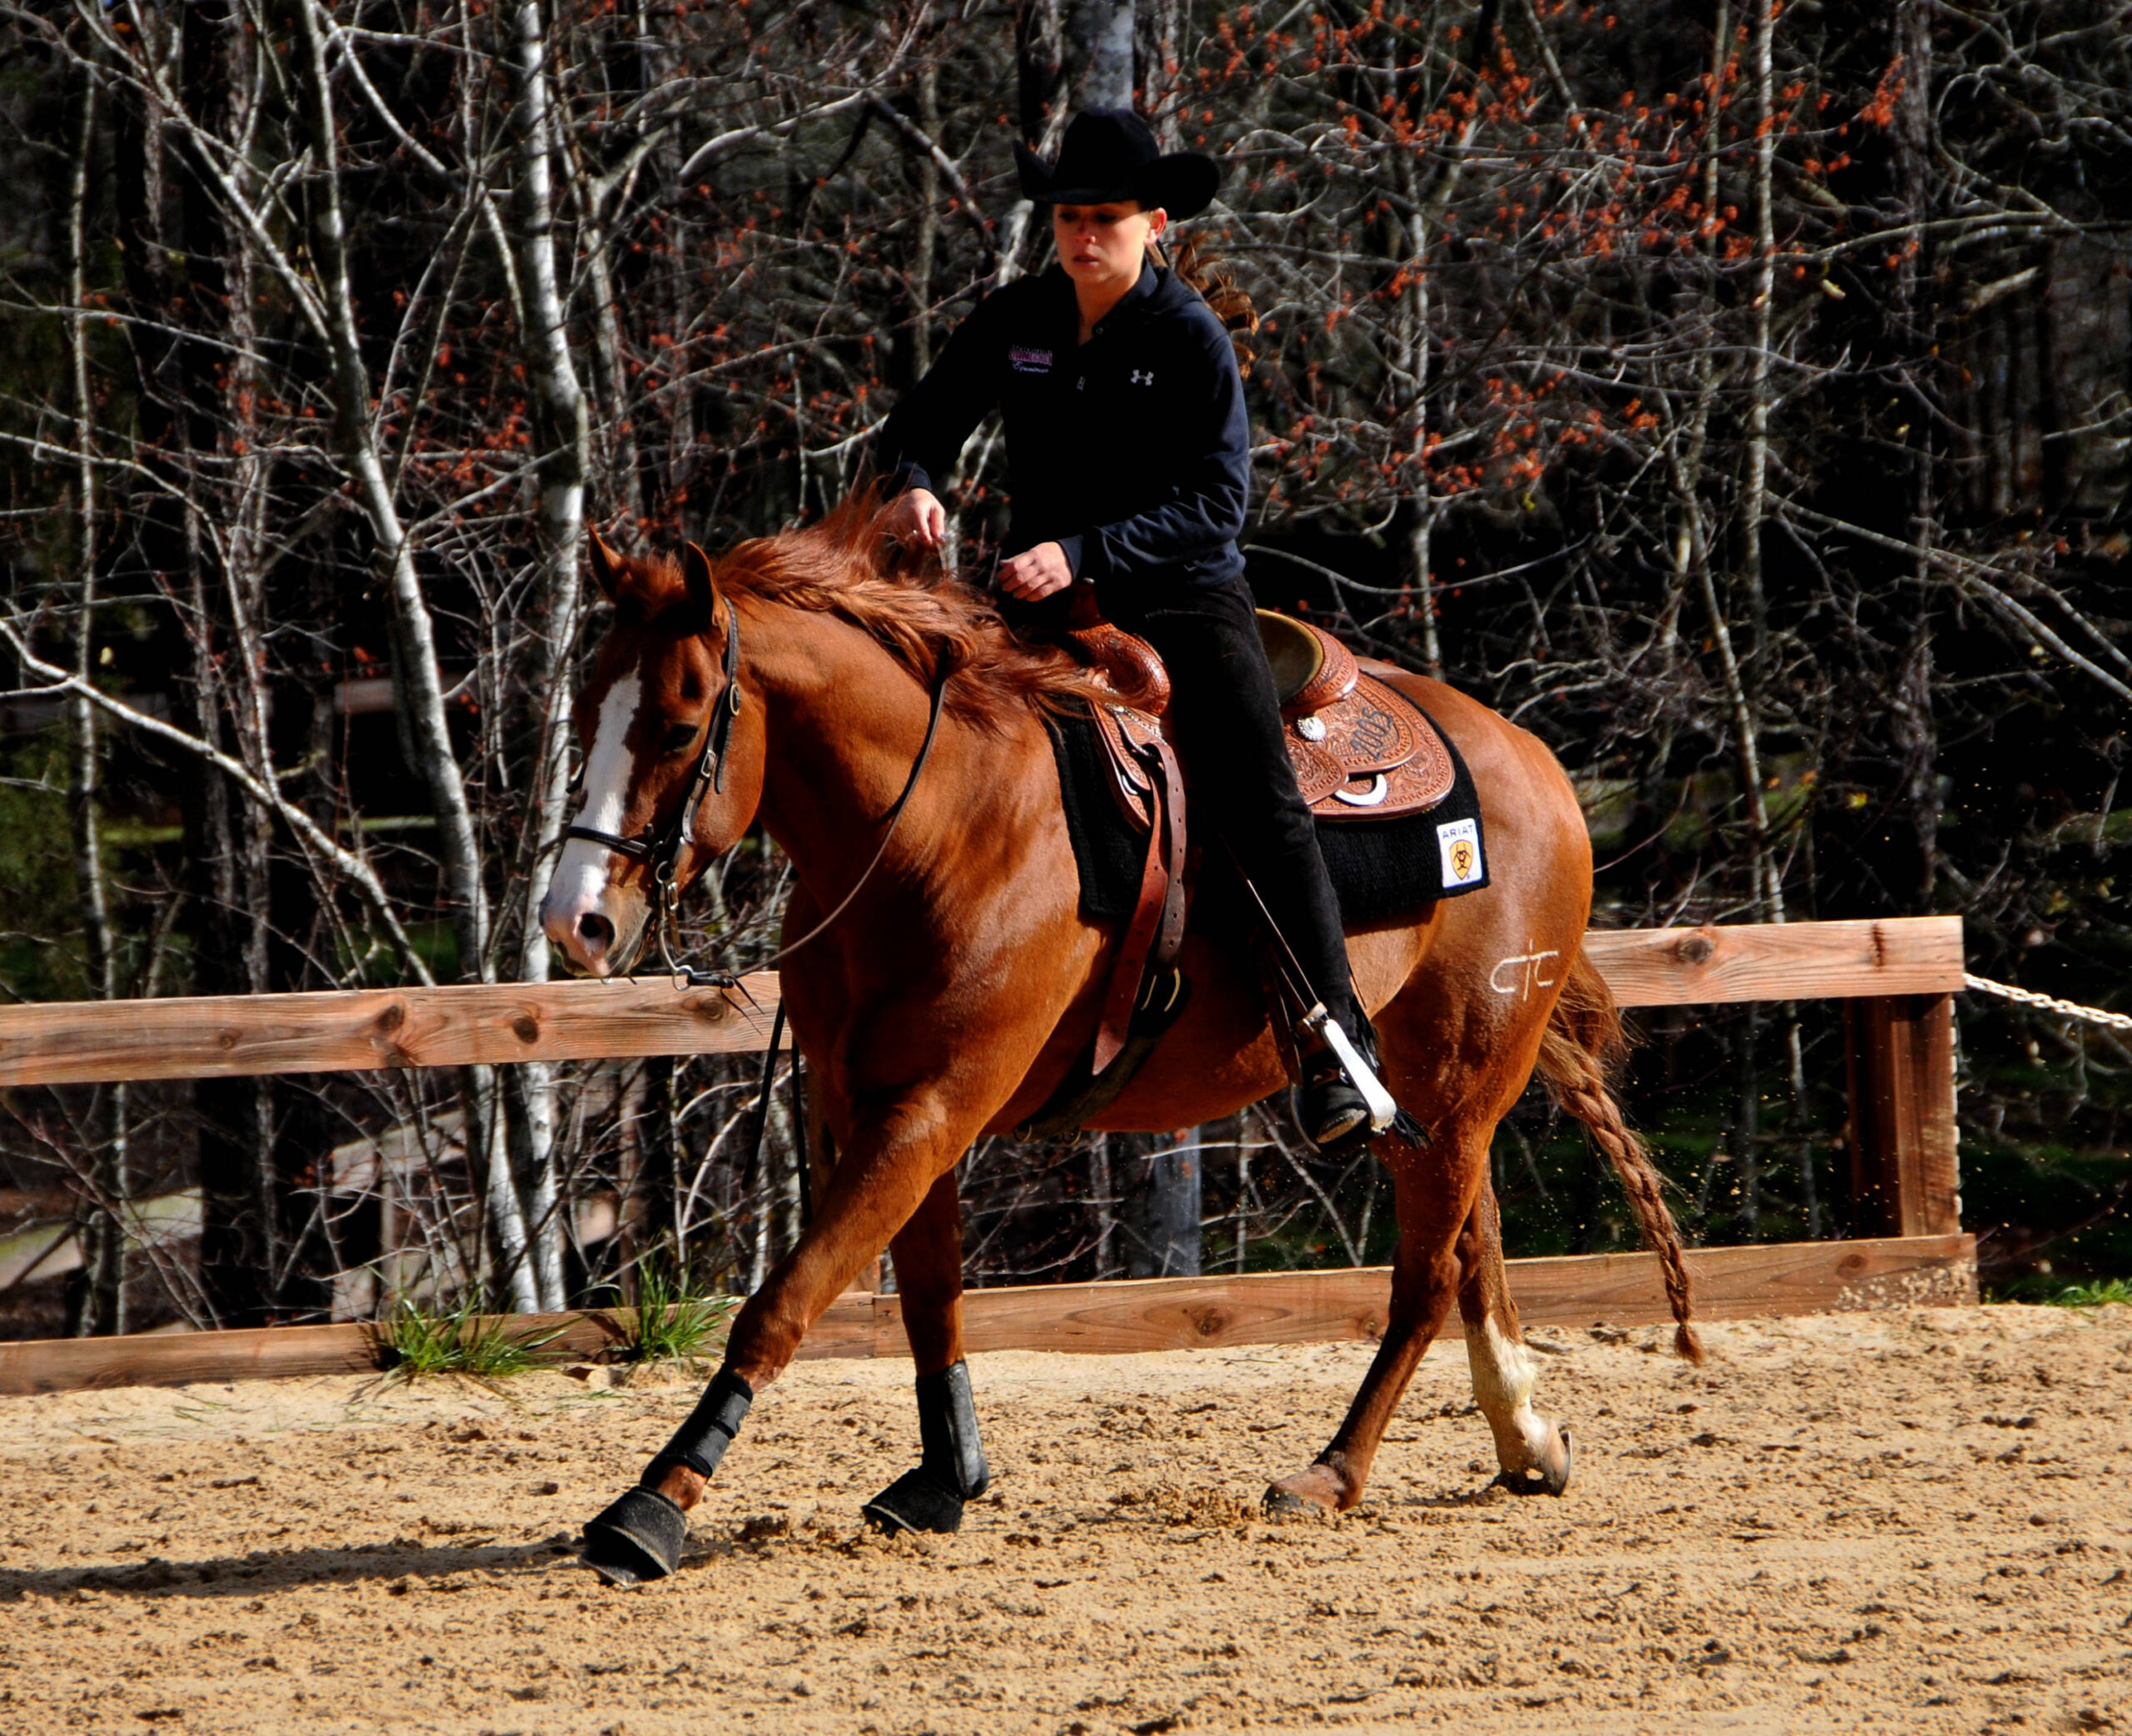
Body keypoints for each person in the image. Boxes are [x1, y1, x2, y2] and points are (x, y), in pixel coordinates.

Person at [876, 109, 1372, 1150]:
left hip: (1183, 594)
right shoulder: (1016, 317)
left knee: (1259, 794)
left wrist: (1087, 551)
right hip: (1035, 599)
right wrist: (913, 486)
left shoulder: (1189, 334)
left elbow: (1215, 502)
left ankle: (1333, 1044)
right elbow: (918, 425)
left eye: (1103, 217)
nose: (1081, 235)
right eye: (1067, 217)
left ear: (1153, 222)